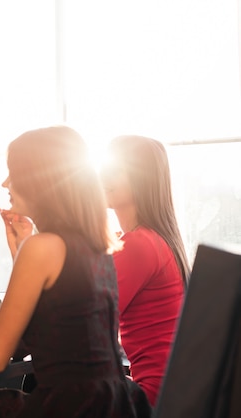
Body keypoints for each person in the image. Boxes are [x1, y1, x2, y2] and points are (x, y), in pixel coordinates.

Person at [0, 126, 150, 418]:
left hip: (69, 408)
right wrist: (19, 252)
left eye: (12, 172)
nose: (5, 183)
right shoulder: (98, 247)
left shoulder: (42, 247)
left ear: (38, 180)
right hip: (115, 403)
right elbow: (52, 326)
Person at [101, 135, 189, 407]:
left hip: (152, 399)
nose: (104, 176)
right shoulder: (156, 239)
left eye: (116, 170)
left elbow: (86, 319)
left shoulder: (138, 245)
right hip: (173, 392)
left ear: (143, 179)